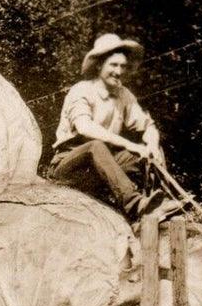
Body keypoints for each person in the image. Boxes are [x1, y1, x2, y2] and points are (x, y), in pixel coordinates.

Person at [47, 33, 183, 219]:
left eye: (123, 66)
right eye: (113, 65)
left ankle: (160, 200)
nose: (118, 72)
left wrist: (151, 145)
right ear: (99, 65)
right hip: (69, 166)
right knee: (96, 146)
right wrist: (128, 144)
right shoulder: (81, 90)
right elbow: (85, 127)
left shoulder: (123, 94)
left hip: (102, 166)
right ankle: (135, 204)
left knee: (147, 151)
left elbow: (148, 126)